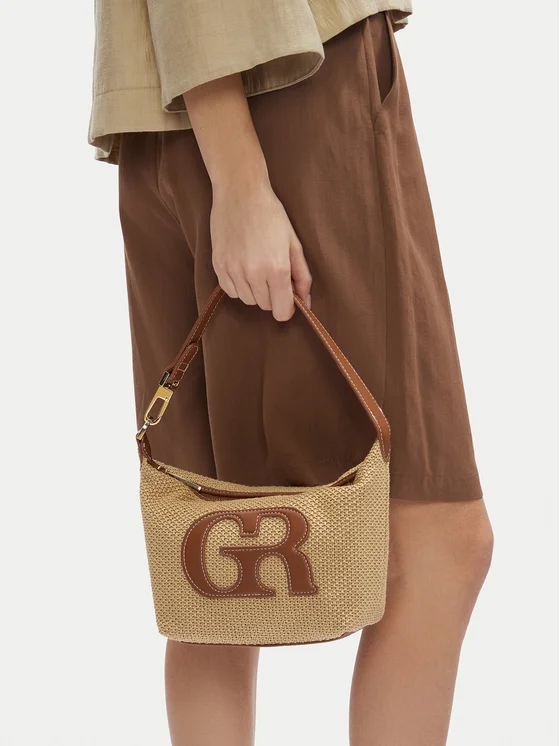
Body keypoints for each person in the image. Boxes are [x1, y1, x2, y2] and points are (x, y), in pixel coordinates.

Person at [89, 2, 493, 744]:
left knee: (214, 561)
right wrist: (239, 175)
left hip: (215, 102)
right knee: (435, 541)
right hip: (279, 101)